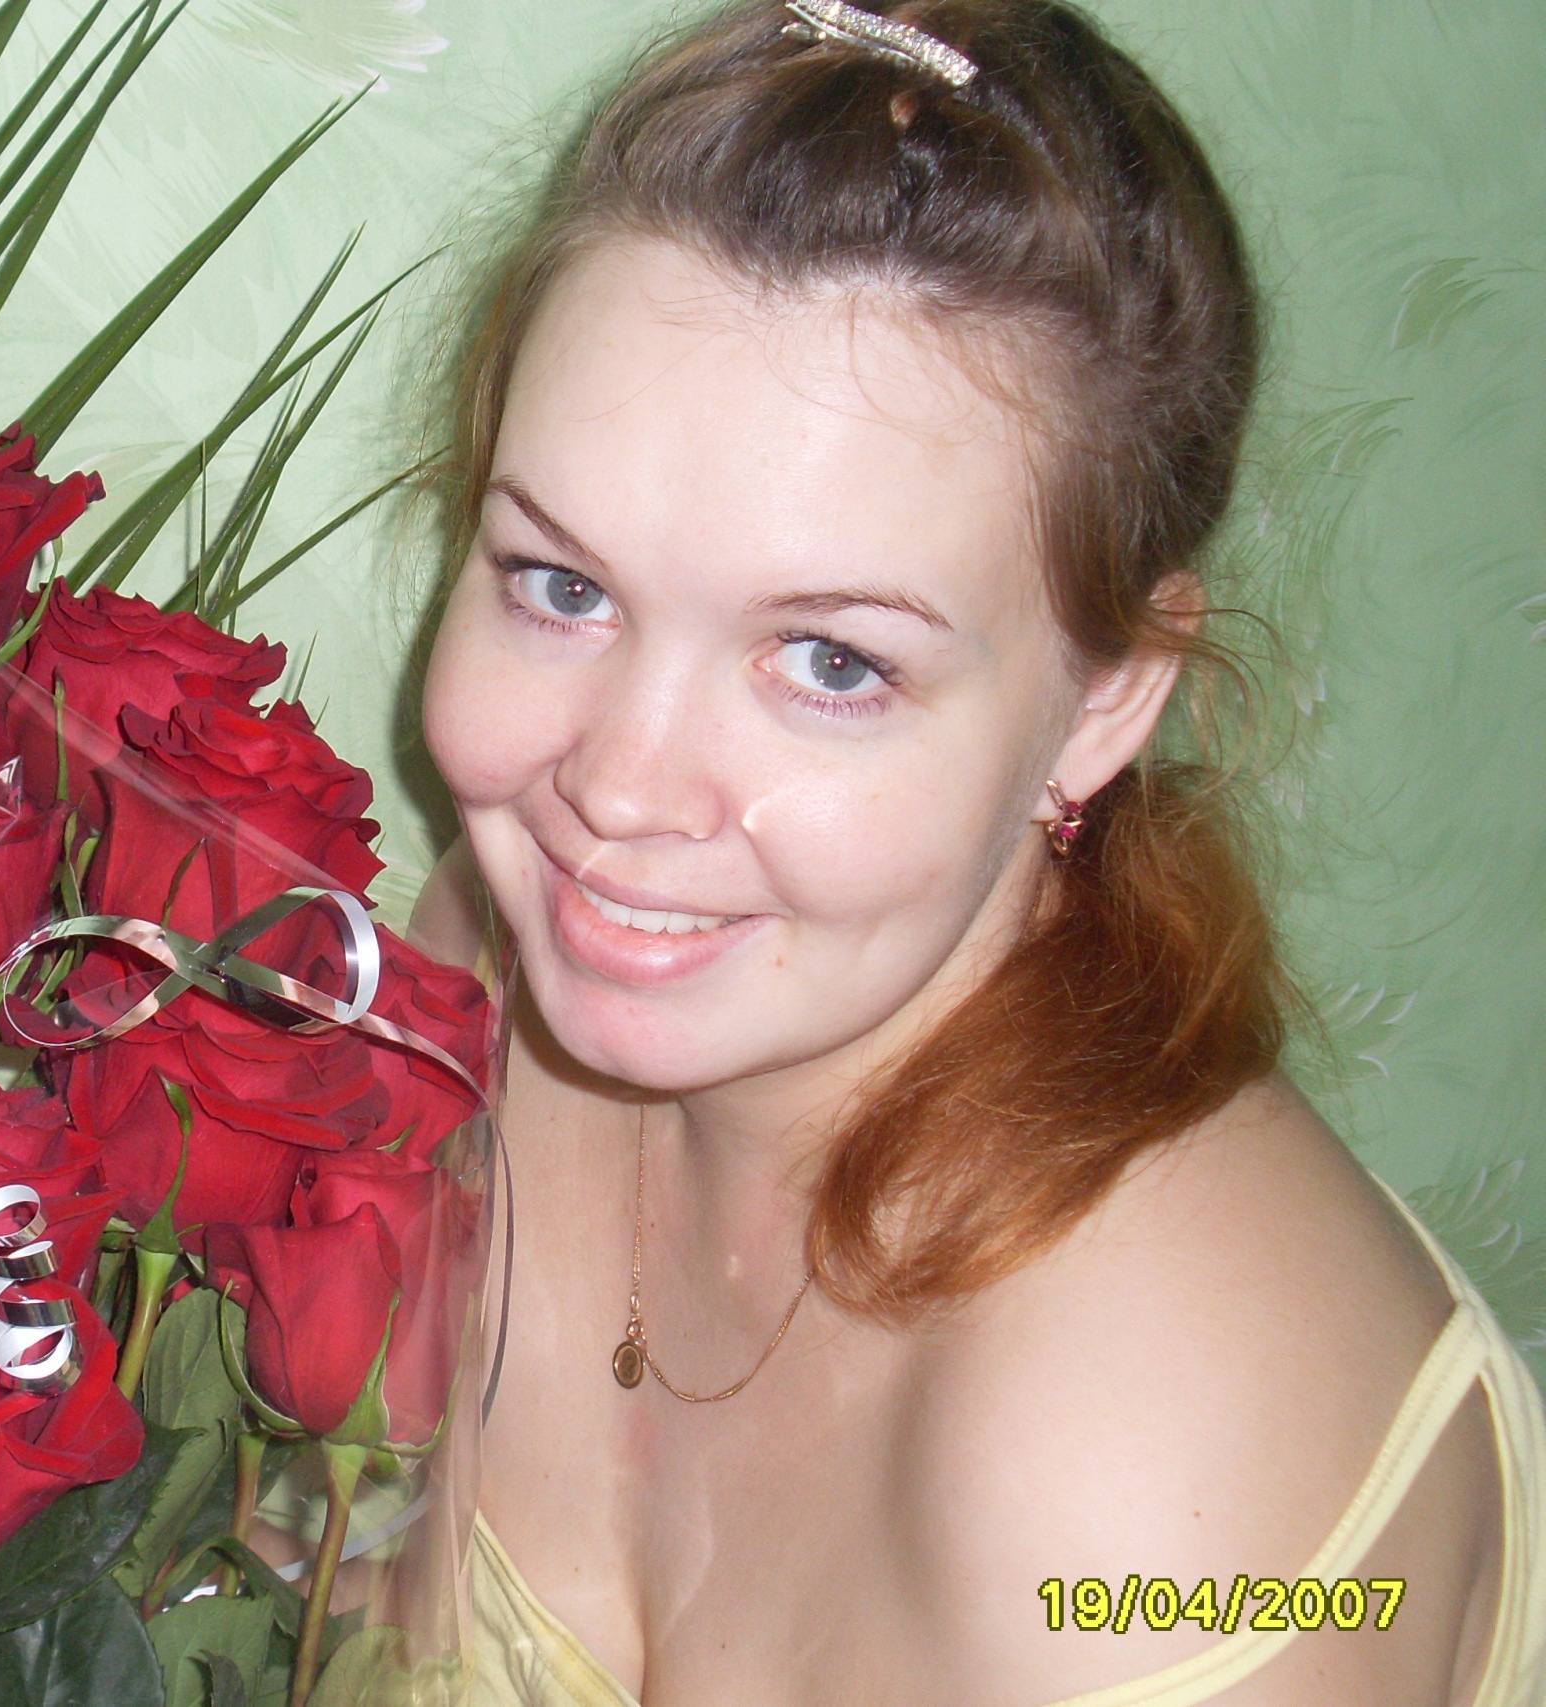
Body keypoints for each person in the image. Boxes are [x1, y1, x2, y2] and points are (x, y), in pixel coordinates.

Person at [403, 2, 1546, 1702]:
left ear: (1107, 700)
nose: (617, 795)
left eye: (831, 662)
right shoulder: (479, 979)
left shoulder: (1170, 1516)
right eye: (560, 585)